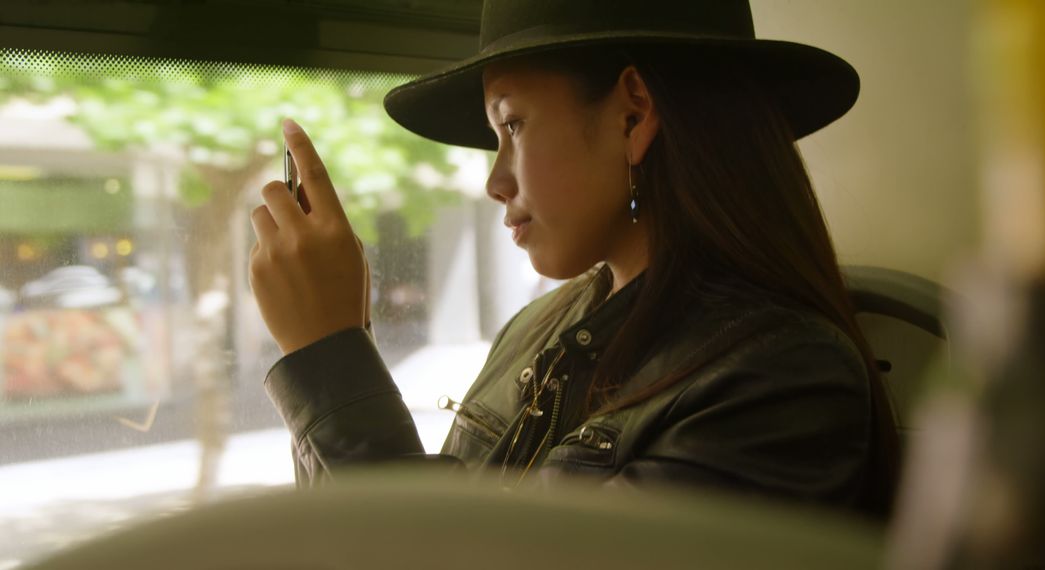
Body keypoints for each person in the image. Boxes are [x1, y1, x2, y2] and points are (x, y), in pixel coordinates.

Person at [249, 0, 900, 520]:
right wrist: (338, 346)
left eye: (512, 126)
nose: (495, 181)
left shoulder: (780, 380)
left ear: (632, 115)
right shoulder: (539, 326)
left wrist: (331, 361)